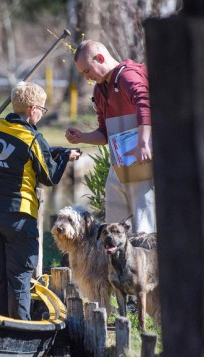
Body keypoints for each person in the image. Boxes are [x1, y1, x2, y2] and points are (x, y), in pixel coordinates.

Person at [0, 81, 81, 320]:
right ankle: (19, 327)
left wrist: (51, 151)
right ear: (33, 109)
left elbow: (15, 153)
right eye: (42, 110)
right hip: (17, 215)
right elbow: (50, 177)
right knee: (19, 275)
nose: (42, 115)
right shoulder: (33, 138)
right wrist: (64, 157)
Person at [65, 40, 156, 233]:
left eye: (87, 70)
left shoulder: (127, 75)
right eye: (83, 74)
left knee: (143, 226)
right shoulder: (99, 89)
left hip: (141, 161)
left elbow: (145, 100)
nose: (86, 77)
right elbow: (104, 133)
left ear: (100, 58)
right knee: (114, 227)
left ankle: (147, 261)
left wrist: (143, 142)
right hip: (119, 165)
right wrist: (82, 137)